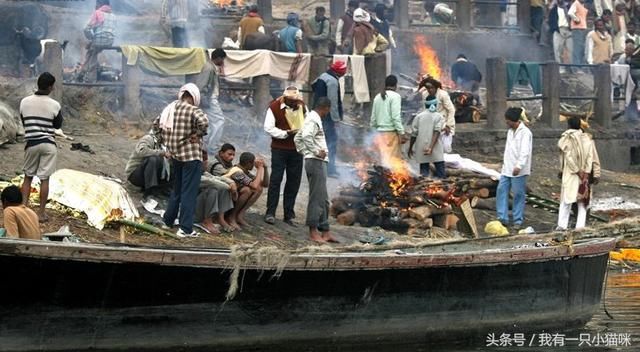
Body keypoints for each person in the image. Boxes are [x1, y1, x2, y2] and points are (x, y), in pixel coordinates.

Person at [154, 83, 209, 238]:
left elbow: (156, 126)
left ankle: (168, 221)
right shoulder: (193, 110)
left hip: (176, 156)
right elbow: (204, 122)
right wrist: (198, 134)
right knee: (189, 193)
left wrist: (165, 143)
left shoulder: (169, 109)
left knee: (176, 190)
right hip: (191, 157)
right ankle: (185, 228)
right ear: (194, 97)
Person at [20, 72, 63, 222]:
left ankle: (23, 209)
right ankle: (41, 213)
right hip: (48, 145)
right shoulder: (54, 105)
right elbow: (57, 125)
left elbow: (24, 121)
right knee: (44, 179)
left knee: (28, 177)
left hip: (31, 143)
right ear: (50, 87)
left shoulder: (24, 102)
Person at [295, 97, 338, 244]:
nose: (328, 112)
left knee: (324, 199)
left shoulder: (311, 118)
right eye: (329, 109)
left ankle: (325, 231)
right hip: (316, 162)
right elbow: (306, 136)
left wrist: (304, 151)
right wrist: (313, 152)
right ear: (326, 108)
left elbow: (297, 138)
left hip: (317, 161)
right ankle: (313, 231)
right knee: (316, 199)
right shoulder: (313, 119)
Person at [263, 87, 307, 226]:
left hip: (297, 150)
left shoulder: (302, 107)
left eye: (297, 100)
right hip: (279, 149)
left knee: (293, 182)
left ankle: (289, 214)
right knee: (276, 180)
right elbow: (269, 128)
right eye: (292, 100)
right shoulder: (274, 107)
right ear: (286, 98)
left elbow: (309, 123)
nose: (295, 103)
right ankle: (270, 212)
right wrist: (285, 133)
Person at [496, 107, 533, 231]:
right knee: (501, 190)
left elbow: (524, 151)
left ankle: (518, 219)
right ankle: (502, 217)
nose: (507, 123)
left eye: (508, 121)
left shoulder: (525, 133)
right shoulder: (510, 131)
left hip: (518, 170)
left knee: (518, 194)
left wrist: (519, 166)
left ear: (514, 120)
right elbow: (508, 150)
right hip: (507, 168)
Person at [556, 116, 594, 230]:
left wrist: (577, 171)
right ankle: (580, 227)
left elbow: (568, 156)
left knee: (566, 200)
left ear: (569, 125)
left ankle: (562, 226)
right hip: (584, 174)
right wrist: (586, 172)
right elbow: (590, 157)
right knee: (582, 201)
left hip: (571, 173)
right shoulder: (587, 138)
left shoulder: (567, 137)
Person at [311, 61, 347, 178]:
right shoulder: (332, 81)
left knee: (319, 141)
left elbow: (313, 85)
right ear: (340, 71)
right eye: (344, 70)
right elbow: (333, 102)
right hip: (327, 118)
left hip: (318, 114)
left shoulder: (323, 76)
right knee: (331, 143)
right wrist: (336, 120)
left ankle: (319, 168)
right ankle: (330, 170)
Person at [224, 152, 269, 228]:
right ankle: (231, 217)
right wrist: (260, 168)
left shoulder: (245, 171)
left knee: (259, 188)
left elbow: (265, 184)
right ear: (248, 164)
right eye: (252, 163)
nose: (253, 166)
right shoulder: (237, 171)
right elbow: (254, 186)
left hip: (232, 196)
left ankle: (239, 215)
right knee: (247, 190)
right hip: (224, 197)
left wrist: (265, 168)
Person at [78, 0, 116, 82]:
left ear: (99, 4)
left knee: (92, 54)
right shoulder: (113, 15)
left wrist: (91, 37)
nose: (95, 6)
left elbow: (86, 28)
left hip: (99, 41)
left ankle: (90, 80)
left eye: (96, 4)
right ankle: (83, 72)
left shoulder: (97, 13)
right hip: (110, 41)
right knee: (90, 50)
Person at [370, 75, 405, 164]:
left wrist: (373, 132)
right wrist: (401, 132)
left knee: (382, 160)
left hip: (379, 133)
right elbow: (395, 117)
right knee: (391, 162)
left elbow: (373, 118)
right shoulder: (395, 96)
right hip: (391, 134)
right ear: (395, 85)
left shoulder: (377, 97)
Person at [124, 132, 171, 198]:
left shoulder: (164, 145)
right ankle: (149, 191)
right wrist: (161, 153)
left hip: (145, 176)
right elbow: (142, 151)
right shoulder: (149, 138)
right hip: (134, 174)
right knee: (153, 159)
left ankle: (161, 188)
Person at [408, 96, 445, 178]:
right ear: (435, 104)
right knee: (440, 171)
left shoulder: (419, 116)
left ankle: (425, 188)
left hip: (421, 147)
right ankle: (443, 187)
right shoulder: (438, 116)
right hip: (435, 146)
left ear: (426, 105)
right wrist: (431, 148)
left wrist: (410, 148)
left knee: (424, 173)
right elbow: (437, 131)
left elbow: (414, 134)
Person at [200, 48, 227, 155]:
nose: (223, 62)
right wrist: (203, 98)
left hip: (209, 98)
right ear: (219, 58)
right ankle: (213, 147)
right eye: (222, 59)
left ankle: (205, 146)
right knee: (219, 121)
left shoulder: (210, 67)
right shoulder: (209, 68)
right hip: (209, 99)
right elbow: (202, 85)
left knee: (210, 123)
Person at [420, 76, 456, 149]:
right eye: (427, 88)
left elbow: (451, 110)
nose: (429, 90)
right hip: (431, 124)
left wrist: (448, 125)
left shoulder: (443, 94)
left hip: (443, 124)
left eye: (432, 88)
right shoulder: (424, 94)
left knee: (444, 149)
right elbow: (425, 110)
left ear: (436, 87)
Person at [371, 4, 396, 75]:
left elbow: (390, 35)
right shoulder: (373, 23)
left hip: (387, 49)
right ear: (380, 12)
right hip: (377, 50)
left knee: (387, 69)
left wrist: (394, 46)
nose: (386, 14)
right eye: (384, 12)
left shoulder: (386, 23)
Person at [549, 0, 573, 64]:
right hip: (558, 30)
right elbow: (551, 21)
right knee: (558, 50)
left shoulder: (569, 8)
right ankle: (560, 67)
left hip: (569, 30)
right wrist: (556, 29)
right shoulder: (554, 9)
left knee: (571, 50)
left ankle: (572, 68)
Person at [568, 0, 589, 65]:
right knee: (577, 49)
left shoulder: (582, 4)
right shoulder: (576, 3)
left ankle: (580, 65)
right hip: (577, 28)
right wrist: (576, 19)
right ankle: (576, 67)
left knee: (582, 48)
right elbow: (570, 13)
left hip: (583, 28)